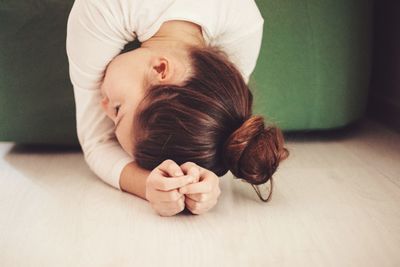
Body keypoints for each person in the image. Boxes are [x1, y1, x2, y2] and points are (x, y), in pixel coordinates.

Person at [66, 0, 289, 217]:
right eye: (118, 109)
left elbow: (212, 127)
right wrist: (145, 184)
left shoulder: (243, 29)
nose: (102, 106)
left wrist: (185, 182)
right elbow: (97, 141)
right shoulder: (101, 7)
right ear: (160, 68)